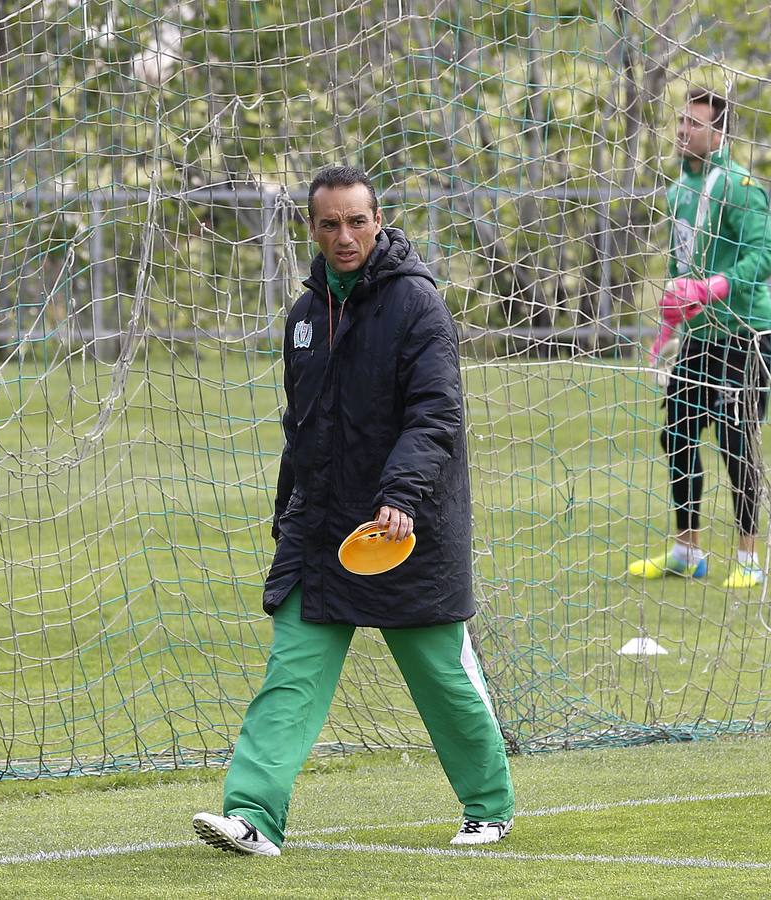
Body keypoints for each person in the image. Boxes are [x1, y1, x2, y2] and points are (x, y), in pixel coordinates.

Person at [192, 165, 515, 856]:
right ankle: (252, 815)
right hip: (321, 526)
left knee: (439, 677)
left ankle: (488, 806)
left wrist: (400, 496)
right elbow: (301, 425)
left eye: (356, 221)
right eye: (329, 223)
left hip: (409, 526)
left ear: (379, 220)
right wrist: (289, 514)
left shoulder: (417, 305)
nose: (344, 236)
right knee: (291, 672)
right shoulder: (305, 316)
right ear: (311, 229)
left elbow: (435, 415)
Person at [631, 88, 771, 589]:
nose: (682, 131)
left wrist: (716, 286)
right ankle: (688, 550)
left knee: (736, 441)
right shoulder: (677, 191)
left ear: (719, 134)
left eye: (694, 124)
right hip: (699, 337)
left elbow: (765, 257)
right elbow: (680, 270)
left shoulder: (740, 187)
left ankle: (749, 557)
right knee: (676, 433)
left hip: (745, 334)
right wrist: (668, 328)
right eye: (681, 121)